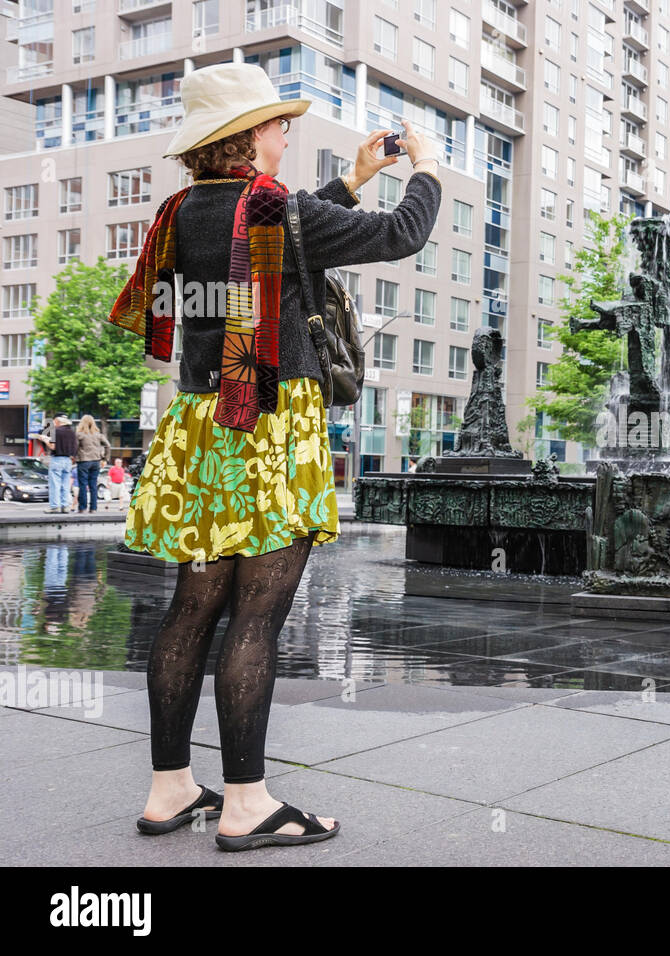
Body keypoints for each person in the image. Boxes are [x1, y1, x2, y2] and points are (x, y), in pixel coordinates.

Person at [107, 62, 441, 851]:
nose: (285, 133)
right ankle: (248, 802)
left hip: (198, 424)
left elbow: (280, 238)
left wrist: (352, 179)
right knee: (258, 613)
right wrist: (426, 165)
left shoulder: (182, 211)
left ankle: (170, 789)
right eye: (277, 123)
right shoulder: (271, 210)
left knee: (191, 609)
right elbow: (402, 234)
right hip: (266, 420)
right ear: (248, 137)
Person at [32, 414, 77, 513]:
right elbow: (75, 447)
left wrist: (44, 439)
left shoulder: (56, 431)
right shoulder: (72, 432)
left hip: (57, 459)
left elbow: (52, 446)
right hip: (68, 460)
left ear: (57, 421)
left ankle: (54, 506)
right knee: (65, 484)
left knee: (55, 484)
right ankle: (65, 506)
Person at [74, 415, 112, 514]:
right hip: (96, 461)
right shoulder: (98, 435)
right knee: (93, 485)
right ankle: (93, 508)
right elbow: (108, 445)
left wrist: (73, 457)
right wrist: (105, 458)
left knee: (83, 485)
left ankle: (82, 508)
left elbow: (75, 448)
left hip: (83, 461)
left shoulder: (79, 435)